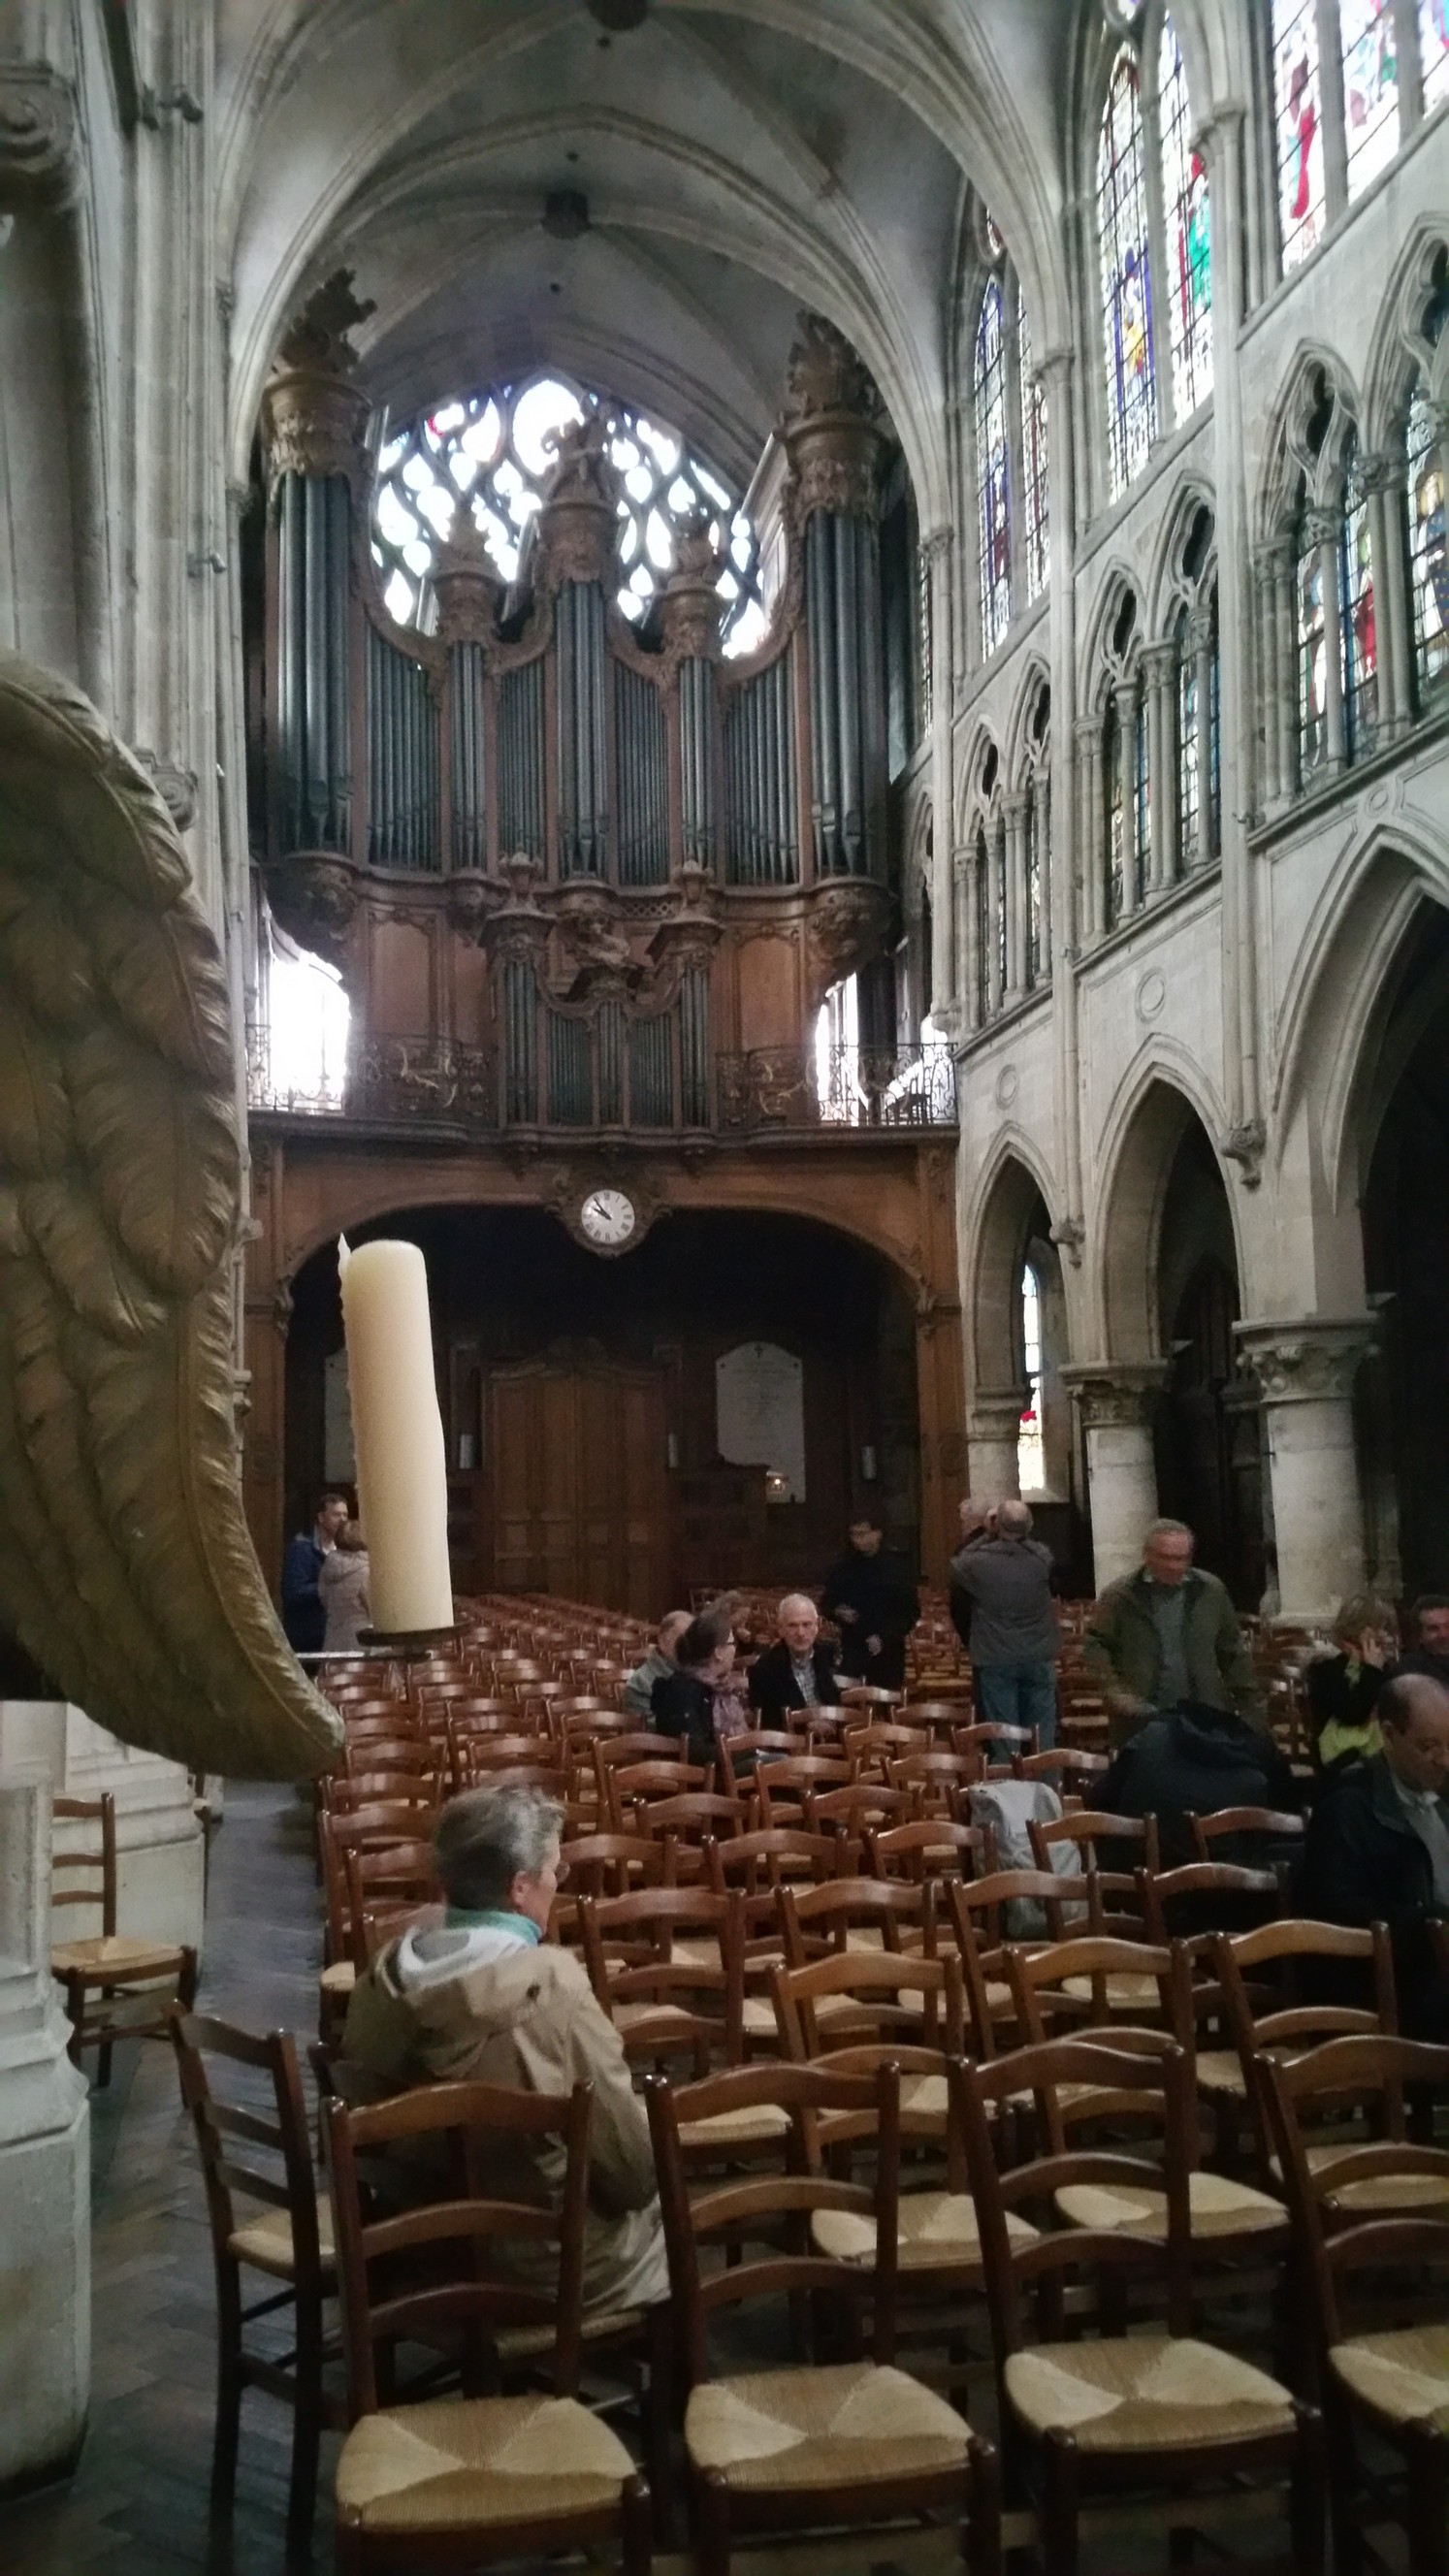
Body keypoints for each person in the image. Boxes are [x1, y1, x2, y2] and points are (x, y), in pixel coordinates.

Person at [340, 1785, 668, 2310]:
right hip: (537, 2270)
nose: (557, 1884)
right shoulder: (553, 1990)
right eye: (554, 1871)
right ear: (520, 1887)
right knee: (666, 2216)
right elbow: (632, 2174)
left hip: (416, 2250)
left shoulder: (379, 1981)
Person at [1300, 1672, 1449, 2041]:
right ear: (1390, 1736)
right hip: (1391, 1986)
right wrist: (1430, 1923)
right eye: (1428, 1746)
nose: (1444, 1760)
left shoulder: (1443, 1794)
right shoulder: (1348, 1806)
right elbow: (1336, 1916)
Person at [1081, 1517, 1263, 1747]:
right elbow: (1095, 1646)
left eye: (1181, 1558)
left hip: (1203, 1712)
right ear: (1147, 1555)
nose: (1174, 1566)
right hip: (1142, 1717)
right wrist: (1116, 1694)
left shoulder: (1210, 1591)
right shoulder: (1121, 1596)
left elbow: (1232, 1650)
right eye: (1165, 1558)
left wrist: (1251, 1708)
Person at [1101, 1697, 1304, 1869]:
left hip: (1131, 1879)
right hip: (1220, 1892)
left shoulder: (1151, 1736)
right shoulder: (1256, 1775)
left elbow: (1101, 1800)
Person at [950, 1499, 1060, 1744]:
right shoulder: (1041, 1558)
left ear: (997, 1524)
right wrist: (1018, 1532)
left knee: (1004, 1733)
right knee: (1042, 1731)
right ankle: (1045, 1768)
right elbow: (1041, 1551)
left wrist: (986, 1534)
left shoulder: (977, 1562)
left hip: (996, 1655)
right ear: (1029, 1526)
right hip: (1037, 1653)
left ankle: (1009, 1768)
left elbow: (959, 1561)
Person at [819, 1513, 919, 1691]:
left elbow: (910, 1612)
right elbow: (827, 1602)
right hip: (853, 1646)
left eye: (862, 1534)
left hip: (888, 1650)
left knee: (887, 1699)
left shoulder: (897, 1568)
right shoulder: (843, 1566)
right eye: (853, 1534)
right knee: (849, 1698)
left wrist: (885, 1637)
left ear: (877, 1533)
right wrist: (837, 1611)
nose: (857, 1540)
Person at [1305, 1594, 1395, 1770]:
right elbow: (1352, 1714)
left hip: (1380, 1752)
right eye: (1378, 1627)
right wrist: (1372, 1671)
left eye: (1386, 1628)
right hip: (1343, 1759)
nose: (1384, 1635)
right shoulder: (1326, 1666)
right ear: (1357, 1627)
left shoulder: (1380, 1665)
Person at [650, 1612, 737, 1768]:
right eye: (732, 1643)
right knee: (776, 1764)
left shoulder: (717, 1688)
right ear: (718, 1653)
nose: (735, 1650)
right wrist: (748, 1750)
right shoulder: (683, 1689)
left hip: (723, 1762)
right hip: (701, 1772)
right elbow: (696, 1752)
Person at [748, 1594, 841, 1721]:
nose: (801, 1633)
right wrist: (808, 1724)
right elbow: (770, 1722)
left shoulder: (826, 1654)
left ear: (816, 1626)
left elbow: (835, 1702)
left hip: (832, 1728)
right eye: (792, 1625)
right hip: (793, 1731)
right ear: (780, 1629)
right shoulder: (764, 1669)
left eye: (806, 1624)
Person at [280, 1491, 349, 1654]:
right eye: (336, 1515)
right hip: (309, 1634)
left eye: (345, 1515)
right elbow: (294, 1592)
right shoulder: (302, 1549)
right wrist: (327, 1587)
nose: (342, 1520)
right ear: (321, 1517)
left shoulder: (346, 1549)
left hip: (336, 1633)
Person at [948, 1497, 996, 1654]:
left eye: (962, 1521)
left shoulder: (966, 1551)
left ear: (970, 1521)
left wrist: (967, 1637)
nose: (961, 1526)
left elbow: (959, 1600)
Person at [622, 1609, 691, 1719]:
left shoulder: (698, 1673)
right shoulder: (640, 1683)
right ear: (663, 1641)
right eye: (683, 1639)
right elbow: (650, 1726)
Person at [318, 1518, 371, 1652]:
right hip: (361, 1641)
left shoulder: (328, 1568)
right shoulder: (366, 1572)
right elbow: (374, 1610)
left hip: (333, 1638)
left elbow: (323, 1598)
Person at [1389, 1594, 1449, 1692]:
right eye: (1433, 1628)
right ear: (1419, 1636)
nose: (1444, 1634)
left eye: (1448, 1626)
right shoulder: (1411, 1670)